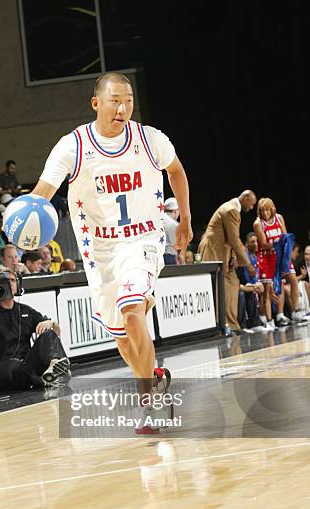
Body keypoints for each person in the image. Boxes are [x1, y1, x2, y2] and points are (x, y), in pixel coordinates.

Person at [29, 71, 192, 432]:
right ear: (96, 103)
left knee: (132, 311)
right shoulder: (73, 146)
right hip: (98, 248)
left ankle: (149, 403)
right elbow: (43, 190)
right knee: (120, 336)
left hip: (143, 239)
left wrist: (184, 220)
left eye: (129, 100)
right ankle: (155, 377)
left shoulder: (150, 139)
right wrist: (23, 217)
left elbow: (176, 171)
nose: (123, 108)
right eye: (115, 100)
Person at [0, 267, 70, 391]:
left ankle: (54, 367)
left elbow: (55, 334)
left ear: (18, 284)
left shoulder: (25, 310)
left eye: (12, 280)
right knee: (14, 366)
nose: (9, 284)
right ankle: (39, 380)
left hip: (25, 365)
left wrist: (51, 323)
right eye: (5, 282)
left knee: (49, 333)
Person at [198, 190, 257, 336]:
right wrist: (247, 263)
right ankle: (221, 325)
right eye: (251, 204)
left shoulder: (233, 209)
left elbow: (230, 237)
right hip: (213, 249)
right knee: (218, 286)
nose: (251, 208)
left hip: (223, 251)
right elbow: (234, 238)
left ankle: (232, 324)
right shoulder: (231, 210)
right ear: (244, 198)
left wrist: (233, 256)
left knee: (232, 282)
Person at [253, 197, 306, 325]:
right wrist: (277, 243)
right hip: (267, 257)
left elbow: (285, 236)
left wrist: (285, 248)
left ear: (272, 210)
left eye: (267, 210)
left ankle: (295, 312)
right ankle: (273, 317)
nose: (265, 213)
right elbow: (264, 244)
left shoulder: (279, 218)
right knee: (273, 288)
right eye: (262, 210)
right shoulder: (258, 223)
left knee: (293, 280)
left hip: (281, 255)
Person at [162, 197, 179, 264]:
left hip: (157, 256)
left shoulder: (157, 219)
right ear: (175, 211)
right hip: (169, 257)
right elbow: (176, 245)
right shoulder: (174, 224)